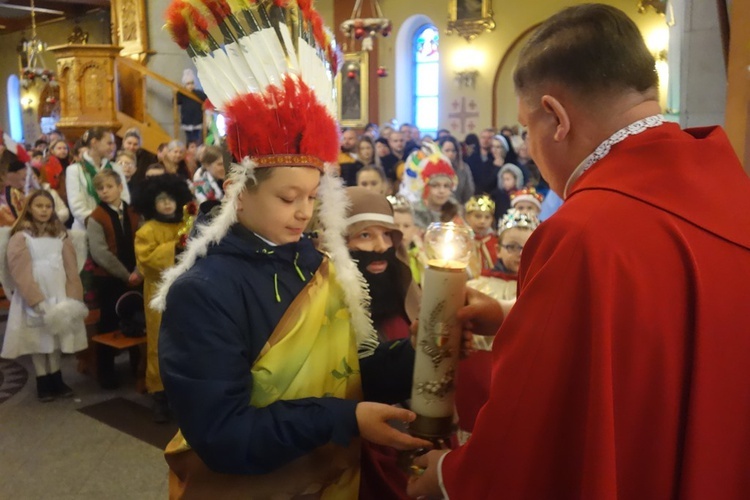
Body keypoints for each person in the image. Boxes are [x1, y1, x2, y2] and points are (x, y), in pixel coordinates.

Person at [407, 4, 750, 499]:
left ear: (556, 117)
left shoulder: (584, 230)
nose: (530, 145)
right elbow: (667, 331)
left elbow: (531, 427)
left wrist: (446, 474)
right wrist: (510, 315)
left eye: (527, 128)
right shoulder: (732, 192)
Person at [157, 2, 429, 495]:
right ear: (240, 193)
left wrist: (424, 347)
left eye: (311, 196)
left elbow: (352, 366)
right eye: (288, 198)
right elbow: (223, 435)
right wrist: (343, 417)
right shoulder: (203, 292)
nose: (305, 213)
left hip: (332, 477)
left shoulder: (315, 262)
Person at [0, 190, 88, 401]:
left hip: (58, 291)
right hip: (34, 293)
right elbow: (20, 272)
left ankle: (57, 377)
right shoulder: (21, 237)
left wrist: (73, 297)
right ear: (29, 208)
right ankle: (43, 380)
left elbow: (71, 268)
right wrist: (36, 300)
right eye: (39, 206)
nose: (44, 210)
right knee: (37, 338)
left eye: (48, 206)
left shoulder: (60, 235)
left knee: (56, 337)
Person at [134, 173, 192, 422]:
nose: (167, 204)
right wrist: (174, 248)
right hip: (159, 293)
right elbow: (146, 261)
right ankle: (159, 393)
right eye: (161, 199)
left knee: (185, 342)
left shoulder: (187, 224)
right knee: (159, 343)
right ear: (151, 203)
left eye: (170, 198)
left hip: (187, 293)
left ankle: (181, 391)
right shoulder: (147, 230)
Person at [86, 169, 142, 389]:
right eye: (100, 189)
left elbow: (143, 242)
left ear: (120, 187)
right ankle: (106, 373)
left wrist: (138, 270)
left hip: (137, 274)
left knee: (138, 320)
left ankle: (137, 366)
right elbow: (100, 253)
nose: (105, 191)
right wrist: (126, 275)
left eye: (109, 186)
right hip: (110, 278)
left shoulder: (135, 212)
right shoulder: (96, 217)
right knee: (108, 324)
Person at [66, 127, 130, 231]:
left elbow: (124, 197)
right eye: (109, 143)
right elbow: (77, 205)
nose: (113, 147)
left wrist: (115, 219)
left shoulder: (116, 168)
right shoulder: (74, 170)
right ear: (94, 142)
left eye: (113, 143)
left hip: (115, 226)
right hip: (86, 229)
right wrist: (98, 223)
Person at [464, 194, 497, 276]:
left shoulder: (496, 243)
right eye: (478, 216)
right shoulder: (462, 241)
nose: (482, 221)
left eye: (487, 217)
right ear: (467, 217)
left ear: (492, 219)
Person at [438, 135, 475, 205]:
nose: (450, 154)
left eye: (453, 151)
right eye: (447, 150)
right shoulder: (432, 167)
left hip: (458, 207)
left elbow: (469, 192)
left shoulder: (464, 168)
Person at [177, 69, 207, 144]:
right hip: (187, 121)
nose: (190, 86)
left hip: (197, 121)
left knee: (196, 139)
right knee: (189, 139)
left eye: (192, 83)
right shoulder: (182, 94)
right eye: (188, 84)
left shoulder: (198, 93)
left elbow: (205, 98)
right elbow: (176, 101)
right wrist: (179, 91)